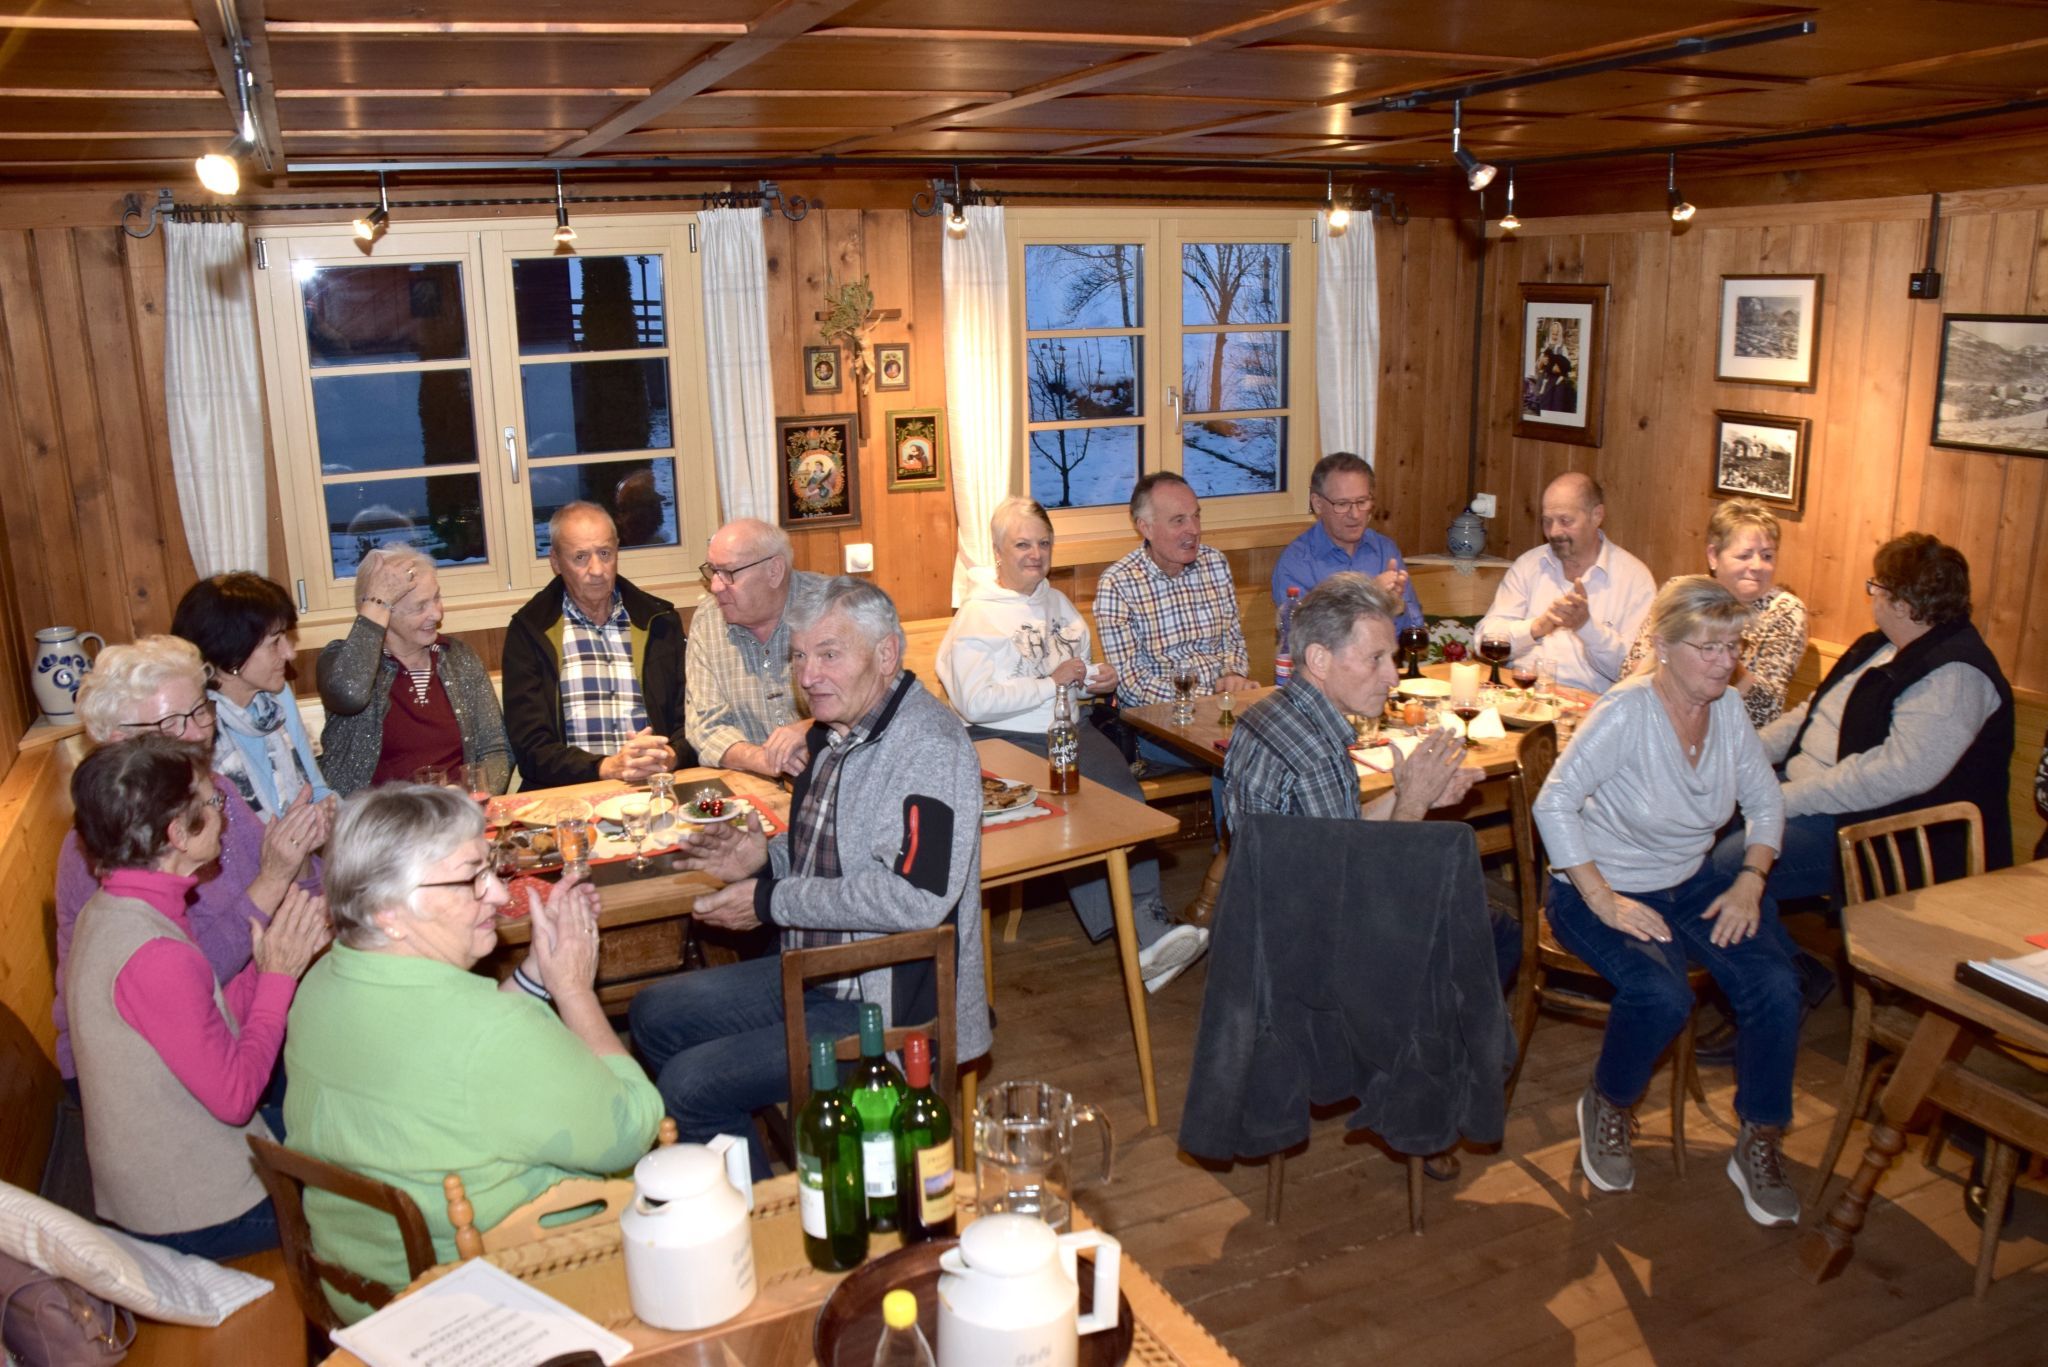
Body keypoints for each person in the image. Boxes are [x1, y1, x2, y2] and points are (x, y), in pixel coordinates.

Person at [630, 578, 992, 1178]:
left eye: (829, 654)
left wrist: (772, 899)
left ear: (885, 655)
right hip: (820, 970)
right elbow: (826, 851)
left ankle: (766, 1219)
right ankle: (751, 1177)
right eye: (800, 656)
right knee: (652, 1013)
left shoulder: (929, 747)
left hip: (883, 1000)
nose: (807, 676)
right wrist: (760, 859)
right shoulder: (833, 733)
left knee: (690, 1086)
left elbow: (915, 898)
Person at [285, 785, 663, 1322]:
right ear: (390, 910)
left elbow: (435, 1059)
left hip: (364, 1280)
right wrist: (575, 989)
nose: (495, 894)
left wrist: (536, 973)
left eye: (490, 870)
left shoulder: (321, 980)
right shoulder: (490, 1036)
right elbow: (631, 1127)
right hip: (483, 1291)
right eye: (470, 878)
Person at [1534, 577, 1801, 1227]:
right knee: (1662, 995)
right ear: (1663, 646)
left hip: (1690, 879)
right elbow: (1553, 801)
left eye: (1731, 646)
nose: (1723, 661)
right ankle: (1609, 1102)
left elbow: (1766, 803)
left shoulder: (1729, 711)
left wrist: (1750, 879)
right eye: (1707, 647)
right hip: (1599, 884)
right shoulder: (1626, 711)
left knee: (1776, 984)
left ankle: (1759, 1136)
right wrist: (1601, 897)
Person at [65, 734, 330, 1259]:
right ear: (177, 834)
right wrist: (280, 977)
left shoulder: (115, 906)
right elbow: (236, 1099)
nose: (222, 810)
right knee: (375, 1178)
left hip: (178, 1171)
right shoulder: (152, 952)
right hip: (196, 1212)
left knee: (340, 1116)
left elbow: (203, 1027)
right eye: (210, 803)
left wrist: (264, 964)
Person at [939, 497, 1209, 992]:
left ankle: (1149, 928)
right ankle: (1143, 942)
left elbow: (1074, 674)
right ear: (997, 551)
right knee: (1080, 817)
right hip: (1001, 740)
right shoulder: (976, 618)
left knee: (1124, 804)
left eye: (1043, 543)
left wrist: (1095, 682)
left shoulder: (1057, 604)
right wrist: (1052, 682)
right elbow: (975, 703)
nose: (1035, 554)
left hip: (1068, 727)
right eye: (1022, 544)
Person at [53, 637, 329, 1088]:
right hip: (144, 1076)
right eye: (173, 722)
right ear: (118, 740)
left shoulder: (215, 790)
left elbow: (304, 904)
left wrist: (299, 856)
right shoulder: (104, 847)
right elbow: (191, 982)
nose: (199, 731)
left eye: (201, 711)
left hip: (240, 1014)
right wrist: (274, 880)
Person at [1712, 532, 2016, 899]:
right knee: (1701, 820)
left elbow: (1892, 775)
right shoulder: (1881, 646)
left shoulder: (1954, 674)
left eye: (1877, 587)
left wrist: (1782, 798)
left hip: (1878, 830)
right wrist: (1739, 758)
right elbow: (1810, 715)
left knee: (1731, 860)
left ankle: (1774, 956)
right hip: (1810, 792)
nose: (1873, 596)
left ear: (1902, 604)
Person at [503, 501, 692, 788]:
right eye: (580, 557)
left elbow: (692, 718)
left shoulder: (659, 622)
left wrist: (671, 755)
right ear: (555, 562)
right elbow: (531, 748)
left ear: (617, 550)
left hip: (655, 784)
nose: (597, 569)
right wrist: (607, 767)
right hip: (571, 793)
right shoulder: (529, 631)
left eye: (605, 553)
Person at [316, 546, 512, 797]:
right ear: (384, 611)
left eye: (437, 598)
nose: (437, 614)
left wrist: (467, 799)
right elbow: (349, 693)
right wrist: (377, 599)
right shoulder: (341, 661)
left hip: (456, 816)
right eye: (420, 607)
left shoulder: (459, 658)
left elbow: (495, 750)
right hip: (378, 827)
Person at [1094, 472, 1256, 773]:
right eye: (1178, 520)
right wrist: (1203, 700)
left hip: (1222, 711)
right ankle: (1235, 823)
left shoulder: (1214, 563)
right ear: (1146, 528)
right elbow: (1132, 686)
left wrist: (1233, 673)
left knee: (1276, 740)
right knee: (1236, 752)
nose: (1193, 530)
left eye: (1196, 516)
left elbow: (1232, 641)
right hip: (1159, 724)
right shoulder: (1119, 583)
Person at [1622, 498, 1808, 729]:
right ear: (1713, 555)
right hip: (1656, 722)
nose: (1758, 565)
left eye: (1767, 556)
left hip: (1732, 736)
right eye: (1745, 555)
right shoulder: (1681, 592)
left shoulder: (1785, 613)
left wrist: (1726, 656)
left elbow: (1764, 712)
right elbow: (1632, 668)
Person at [172, 572, 334, 821]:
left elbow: (317, 791)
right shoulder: (197, 724)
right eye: (274, 642)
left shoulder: (278, 698)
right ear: (233, 652)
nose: (290, 653)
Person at [1477, 472, 1655, 696]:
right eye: (1547, 521)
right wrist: (1536, 628)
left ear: (1597, 515)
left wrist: (1586, 627)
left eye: (1565, 521)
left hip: (1590, 709)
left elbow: (1635, 670)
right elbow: (1483, 640)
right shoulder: (1529, 564)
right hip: (1521, 695)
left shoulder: (1634, 578)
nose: (1554, 532)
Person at [683, 518, 827, 781]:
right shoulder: (708, 622)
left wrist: (811, 729)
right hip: (756, 782)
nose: (715, 586)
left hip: (836, 780)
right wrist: (766, 759)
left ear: (774, 571)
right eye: (712, 571)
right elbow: (705, 728)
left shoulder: (834, 609)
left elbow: (874, 703)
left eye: (728, 573)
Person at [1270, 452, 1424, 630]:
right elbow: (1304, 636)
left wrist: (1398, 607)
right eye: (1342, 504)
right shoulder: (1297, 562)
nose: (1355, 514)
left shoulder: (1384, 550)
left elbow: (1415, 627)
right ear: (1318, 504)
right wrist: (1369, 596)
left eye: (1362, 501)